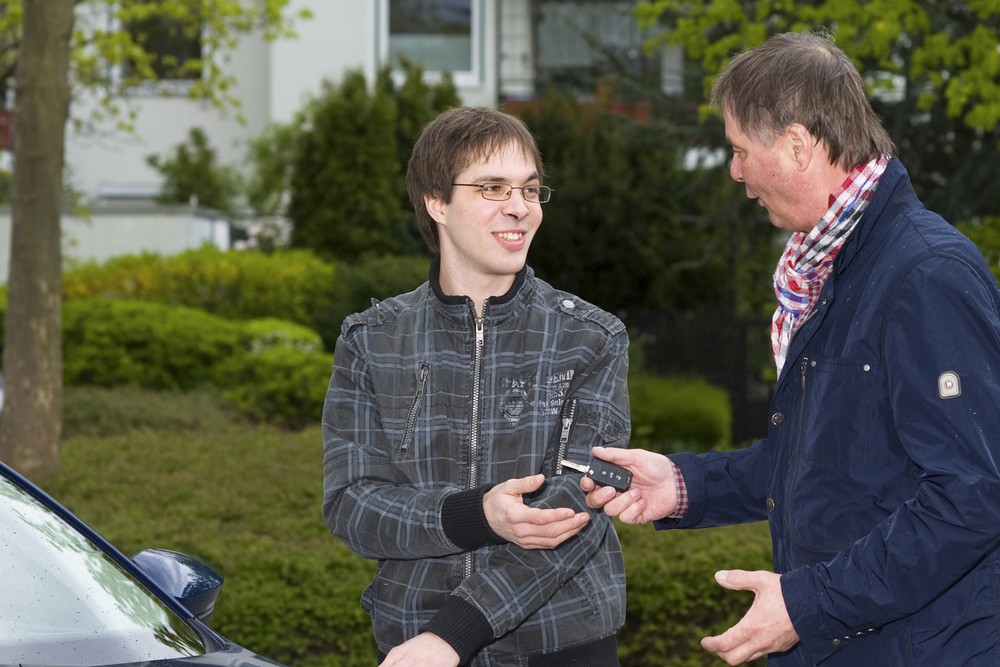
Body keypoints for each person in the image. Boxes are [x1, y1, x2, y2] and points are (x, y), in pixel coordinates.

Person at [583, 30, 1000, 666]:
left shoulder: (925, 275)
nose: (734, 169)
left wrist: (809, 603)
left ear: (799, 145)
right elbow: (829, 465)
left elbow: (971, 497)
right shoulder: (834, 270)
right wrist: (682, 483)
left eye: (741, 149)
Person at [323, 106, 631, 666]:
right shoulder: (370, 340)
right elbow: (352, 504)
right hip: (412, 642)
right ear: (436, 202)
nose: (519, 207)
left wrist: (452, 634)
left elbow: (579, 506)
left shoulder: (591, 336)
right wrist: (475, 516)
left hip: (559, 644)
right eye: (492, 188)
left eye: (530, 189)